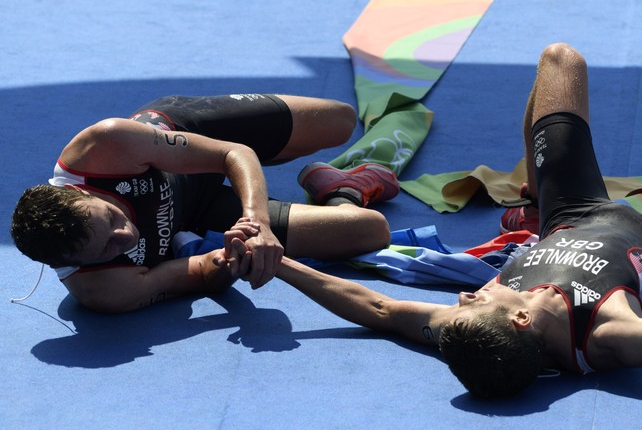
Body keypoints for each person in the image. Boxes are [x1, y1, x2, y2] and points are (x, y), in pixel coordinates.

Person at [219, 42, 642, 398]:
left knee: (560, 60)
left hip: (566, 214)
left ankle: (533, 182)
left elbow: (373, 306)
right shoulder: (608, 340)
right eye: (475, 302)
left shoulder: (476, 334)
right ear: (523, 318)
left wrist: (277, 259)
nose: (461, 300)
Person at [11, 93, 401, 313]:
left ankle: (278, 154)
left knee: (340, 120)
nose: (125, 236)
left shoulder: (106, 145)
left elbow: (233, 154)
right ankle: (339, 186)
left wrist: (257, 221)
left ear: (82, 192)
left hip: (194, 136)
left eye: (111, 218)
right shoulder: (103, 289)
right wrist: (231, 258)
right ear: (76, 265)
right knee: (367, 230)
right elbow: (199, 271)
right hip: (197, 216)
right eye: (108, 248)